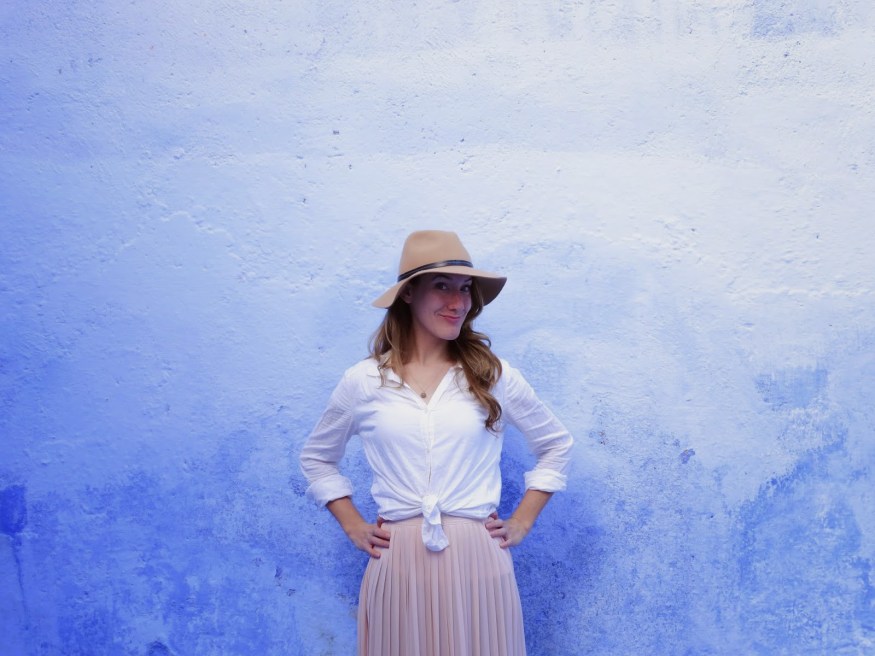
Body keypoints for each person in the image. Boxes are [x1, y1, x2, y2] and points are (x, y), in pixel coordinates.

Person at [299, 230, 573, 655]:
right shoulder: (364, 381)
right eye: (441, 286)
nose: (457, 301)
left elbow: (556, 444)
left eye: (465, 289)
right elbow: (317, 459)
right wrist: (353, 524)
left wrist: (522, 521)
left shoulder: (493, 375)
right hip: (398, 564)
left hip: (478, 562)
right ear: (408, 294)